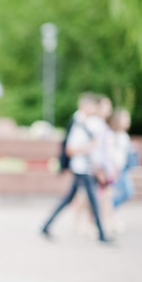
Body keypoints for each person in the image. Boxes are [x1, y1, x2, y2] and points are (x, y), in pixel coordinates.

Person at [41, 92, 112, 243]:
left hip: (85, 167)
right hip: (82, 168)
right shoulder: (79, 122)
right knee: (92, 199)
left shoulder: (86, 122)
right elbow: (70, 149)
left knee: (70, 198)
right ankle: (101, 234)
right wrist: (90, 147)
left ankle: (46, 225)